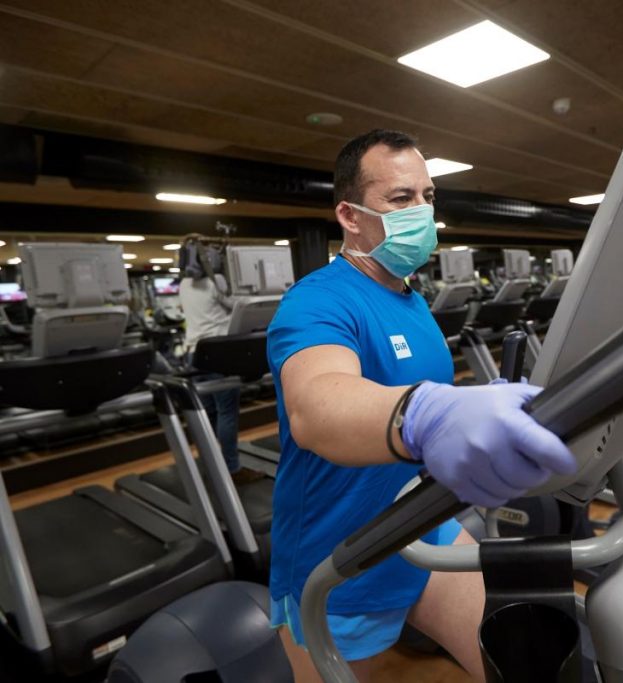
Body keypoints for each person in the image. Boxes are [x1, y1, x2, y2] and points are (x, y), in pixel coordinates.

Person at [266, 129, 576, 682]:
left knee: (522, 665)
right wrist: (427, 414)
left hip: (419, 525)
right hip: (338, 556)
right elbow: (317, 405)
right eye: (401, 198)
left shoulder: (412, 301)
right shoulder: (318, 299)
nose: (423, 212)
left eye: (428, 197)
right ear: (350, 215)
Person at [178, 254, 264, 486]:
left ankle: (214, 464)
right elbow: (238, 304)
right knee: (226, 411)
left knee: (207, 414)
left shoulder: (184, 283)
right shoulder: (216, 281)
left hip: (193, 353)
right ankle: (232, 468)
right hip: (217, 352)